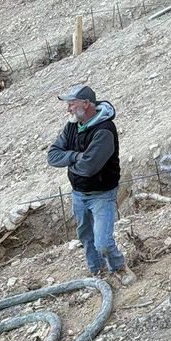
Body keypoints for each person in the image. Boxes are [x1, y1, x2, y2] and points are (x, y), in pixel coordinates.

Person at [48, 84, 135, 286]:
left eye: (71, 104)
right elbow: (52, 156)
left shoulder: (104, 130)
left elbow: (89, 168)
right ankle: (97, 271)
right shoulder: (72, 125)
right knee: (85, 236)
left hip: (101, 194)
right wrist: (76, 156)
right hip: (78, 193)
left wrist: (70, 160)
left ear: (86, 104)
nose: (67, 109)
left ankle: (119, 268)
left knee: (102, 242)